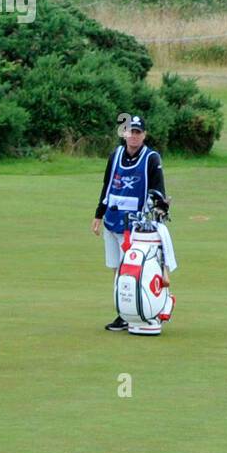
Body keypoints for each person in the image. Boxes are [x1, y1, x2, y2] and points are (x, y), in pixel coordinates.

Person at [91, 116, 169, 331]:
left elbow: (157, 191)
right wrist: (99, 214)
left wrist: (160, 209)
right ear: (124, 134)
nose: (134, 136)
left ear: (144, 135)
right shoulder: (115, 155)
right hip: (112, 221)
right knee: (116, 269)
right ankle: (125, 312)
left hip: (136, 228)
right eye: (130, 132)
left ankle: (140, 311)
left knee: (133, 269)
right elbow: (107, 186)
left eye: (138, 132)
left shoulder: (152, 158)